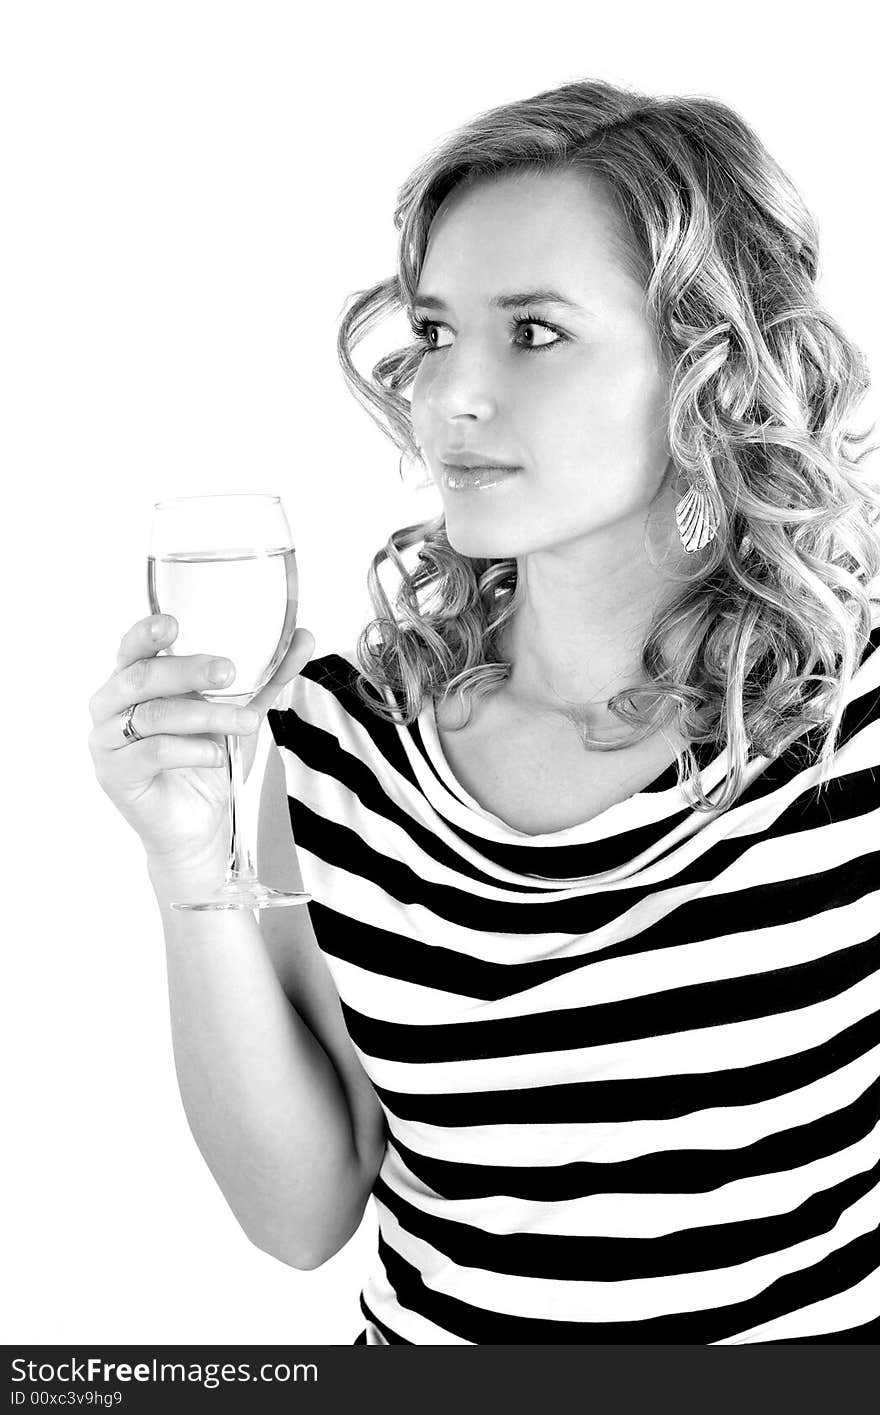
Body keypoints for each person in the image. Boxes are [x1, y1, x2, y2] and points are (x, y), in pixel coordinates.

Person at [88, 77, 880, 1344]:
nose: (450, 392)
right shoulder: (336, 745)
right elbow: (298, 1212)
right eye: (437, 330)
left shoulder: (853, 714)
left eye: (536, 332)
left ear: (710, 362)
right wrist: (193, 864)